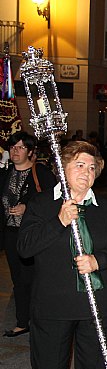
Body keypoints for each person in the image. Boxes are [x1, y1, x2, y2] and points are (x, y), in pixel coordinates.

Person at [16, 141, 107, 369]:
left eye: (92, 168)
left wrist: (98, 260)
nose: (87, 172)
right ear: (62, 168)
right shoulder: (42, 204)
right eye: (79, 165)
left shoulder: (105, 209)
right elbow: (24, 248)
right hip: (53, 307)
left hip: (97, 308)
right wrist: (59, 221)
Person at [1, 132, 56, 337]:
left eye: (21, 147)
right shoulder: (5, 173)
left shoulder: (40, 173)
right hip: (10, 233)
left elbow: (53, 201)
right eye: (13, 147)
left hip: (33, 234)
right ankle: (23, 321)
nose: (16, 151)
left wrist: (28, 208)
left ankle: (41, 320)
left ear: (31, 152)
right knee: (18, 280)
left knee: (34, 279)